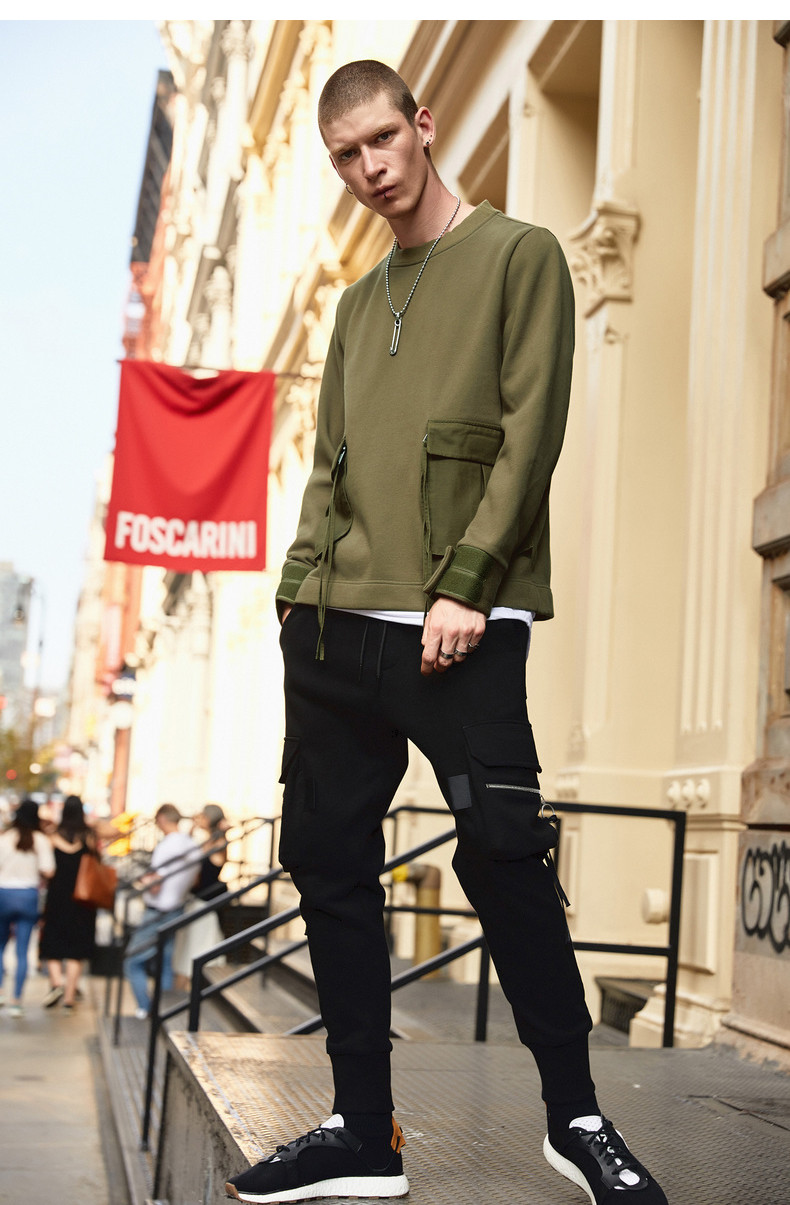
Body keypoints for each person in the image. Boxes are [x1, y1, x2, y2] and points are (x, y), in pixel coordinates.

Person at [225, 60, 667, 1205]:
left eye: (382, 139)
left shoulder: (519, 254)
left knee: (506, 858)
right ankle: (360, 1129)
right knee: (327, 863)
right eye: (346, 155)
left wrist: (467, 582)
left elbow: (531, 427)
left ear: (421, 126)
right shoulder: (354, 304)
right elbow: (328, 468)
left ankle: (576, 1118)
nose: (369, 167)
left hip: (460, 628)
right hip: (334, 634)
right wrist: (295, 595)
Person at [123, 803, 199, 1019]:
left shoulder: (168, 846)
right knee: (165, 963)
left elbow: (155, 885)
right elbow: (194, 879)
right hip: (177, 907)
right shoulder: (191, 845)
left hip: (158, 911)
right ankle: (162, 1012)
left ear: (162, 819)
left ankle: (146, 1008)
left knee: (132, 962)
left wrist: (140, 880)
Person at [38, 794, 99, 1012]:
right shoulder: (89, 835)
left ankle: (57, 984)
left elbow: (46, 868)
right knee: (76, 949)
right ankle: (69, 997)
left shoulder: (52, 836)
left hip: (57, 898)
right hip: (82, 899)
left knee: (53, 942)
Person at [0, 798, 55, 1017]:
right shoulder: (40, 840)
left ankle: (0, 991)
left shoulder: (5, 838)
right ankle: (16, 1001)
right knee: (22, 951)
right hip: (28, 896)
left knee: (0, 946)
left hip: (4, 894)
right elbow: (49, 870)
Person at [172, 804, 229, 988]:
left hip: (205, 905)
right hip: (197, 901)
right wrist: (192, 829)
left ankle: (188, 994)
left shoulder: (219, 843)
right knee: (187, 953)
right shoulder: (208, 841)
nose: (199, 819)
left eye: (203, 816)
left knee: (194, 953)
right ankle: (182, 994)